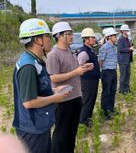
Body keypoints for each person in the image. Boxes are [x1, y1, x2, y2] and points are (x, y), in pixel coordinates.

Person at [12, 18, 70, 153]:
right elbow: (29, 102)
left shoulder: (35, 61)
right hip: (32, 129)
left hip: (39, 124)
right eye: (47, 36)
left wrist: (55, 90)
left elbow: (38, 89)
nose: (50, 39)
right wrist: (56, 98)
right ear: (37, 40)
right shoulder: (28, 66)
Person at [46, 22, 93, 153]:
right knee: (61, 135)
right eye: (69, 34)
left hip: (76, 97)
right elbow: (53, 77)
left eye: (71, 33)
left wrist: (83, 68)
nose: (72, 36)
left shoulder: (70, 50)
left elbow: (74, 70)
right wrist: (75, 72)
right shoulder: (53, 55)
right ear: (59, 36)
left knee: (71, 133)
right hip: (63, 100)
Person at [77, 28, 99, 126]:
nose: (94, 39)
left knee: (92, 100)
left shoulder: (90, 50)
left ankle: (88, 119)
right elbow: (78, 67)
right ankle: (83, 121)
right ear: (86, 39)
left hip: (93, 80)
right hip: (87, 81)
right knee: (87, 101)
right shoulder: (84, 52)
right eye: (92, 37)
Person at [98, 28, 118, 120]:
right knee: (106, 92)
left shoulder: (114, 47)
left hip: (113, 71)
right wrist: (101, 72)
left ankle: (111, 108)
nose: (116, 37)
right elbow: (100, 61)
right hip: (106, 72)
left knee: (113, 91)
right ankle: (105, 111)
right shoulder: (104, 48)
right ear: (109, 37)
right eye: (114, 36)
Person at [117, 24, 134, 94]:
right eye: (126, 31)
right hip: (123, 60)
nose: (128, 32)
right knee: (123, 75)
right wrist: (129, 49)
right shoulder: (121, 39)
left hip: (127, 60)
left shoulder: (127, 38)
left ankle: (127, 88)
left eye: (128, 30)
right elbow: (120, 49)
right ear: (123, 31)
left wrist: (132, 49)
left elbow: (127, 48)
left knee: (128, 74)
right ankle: (122, 90)